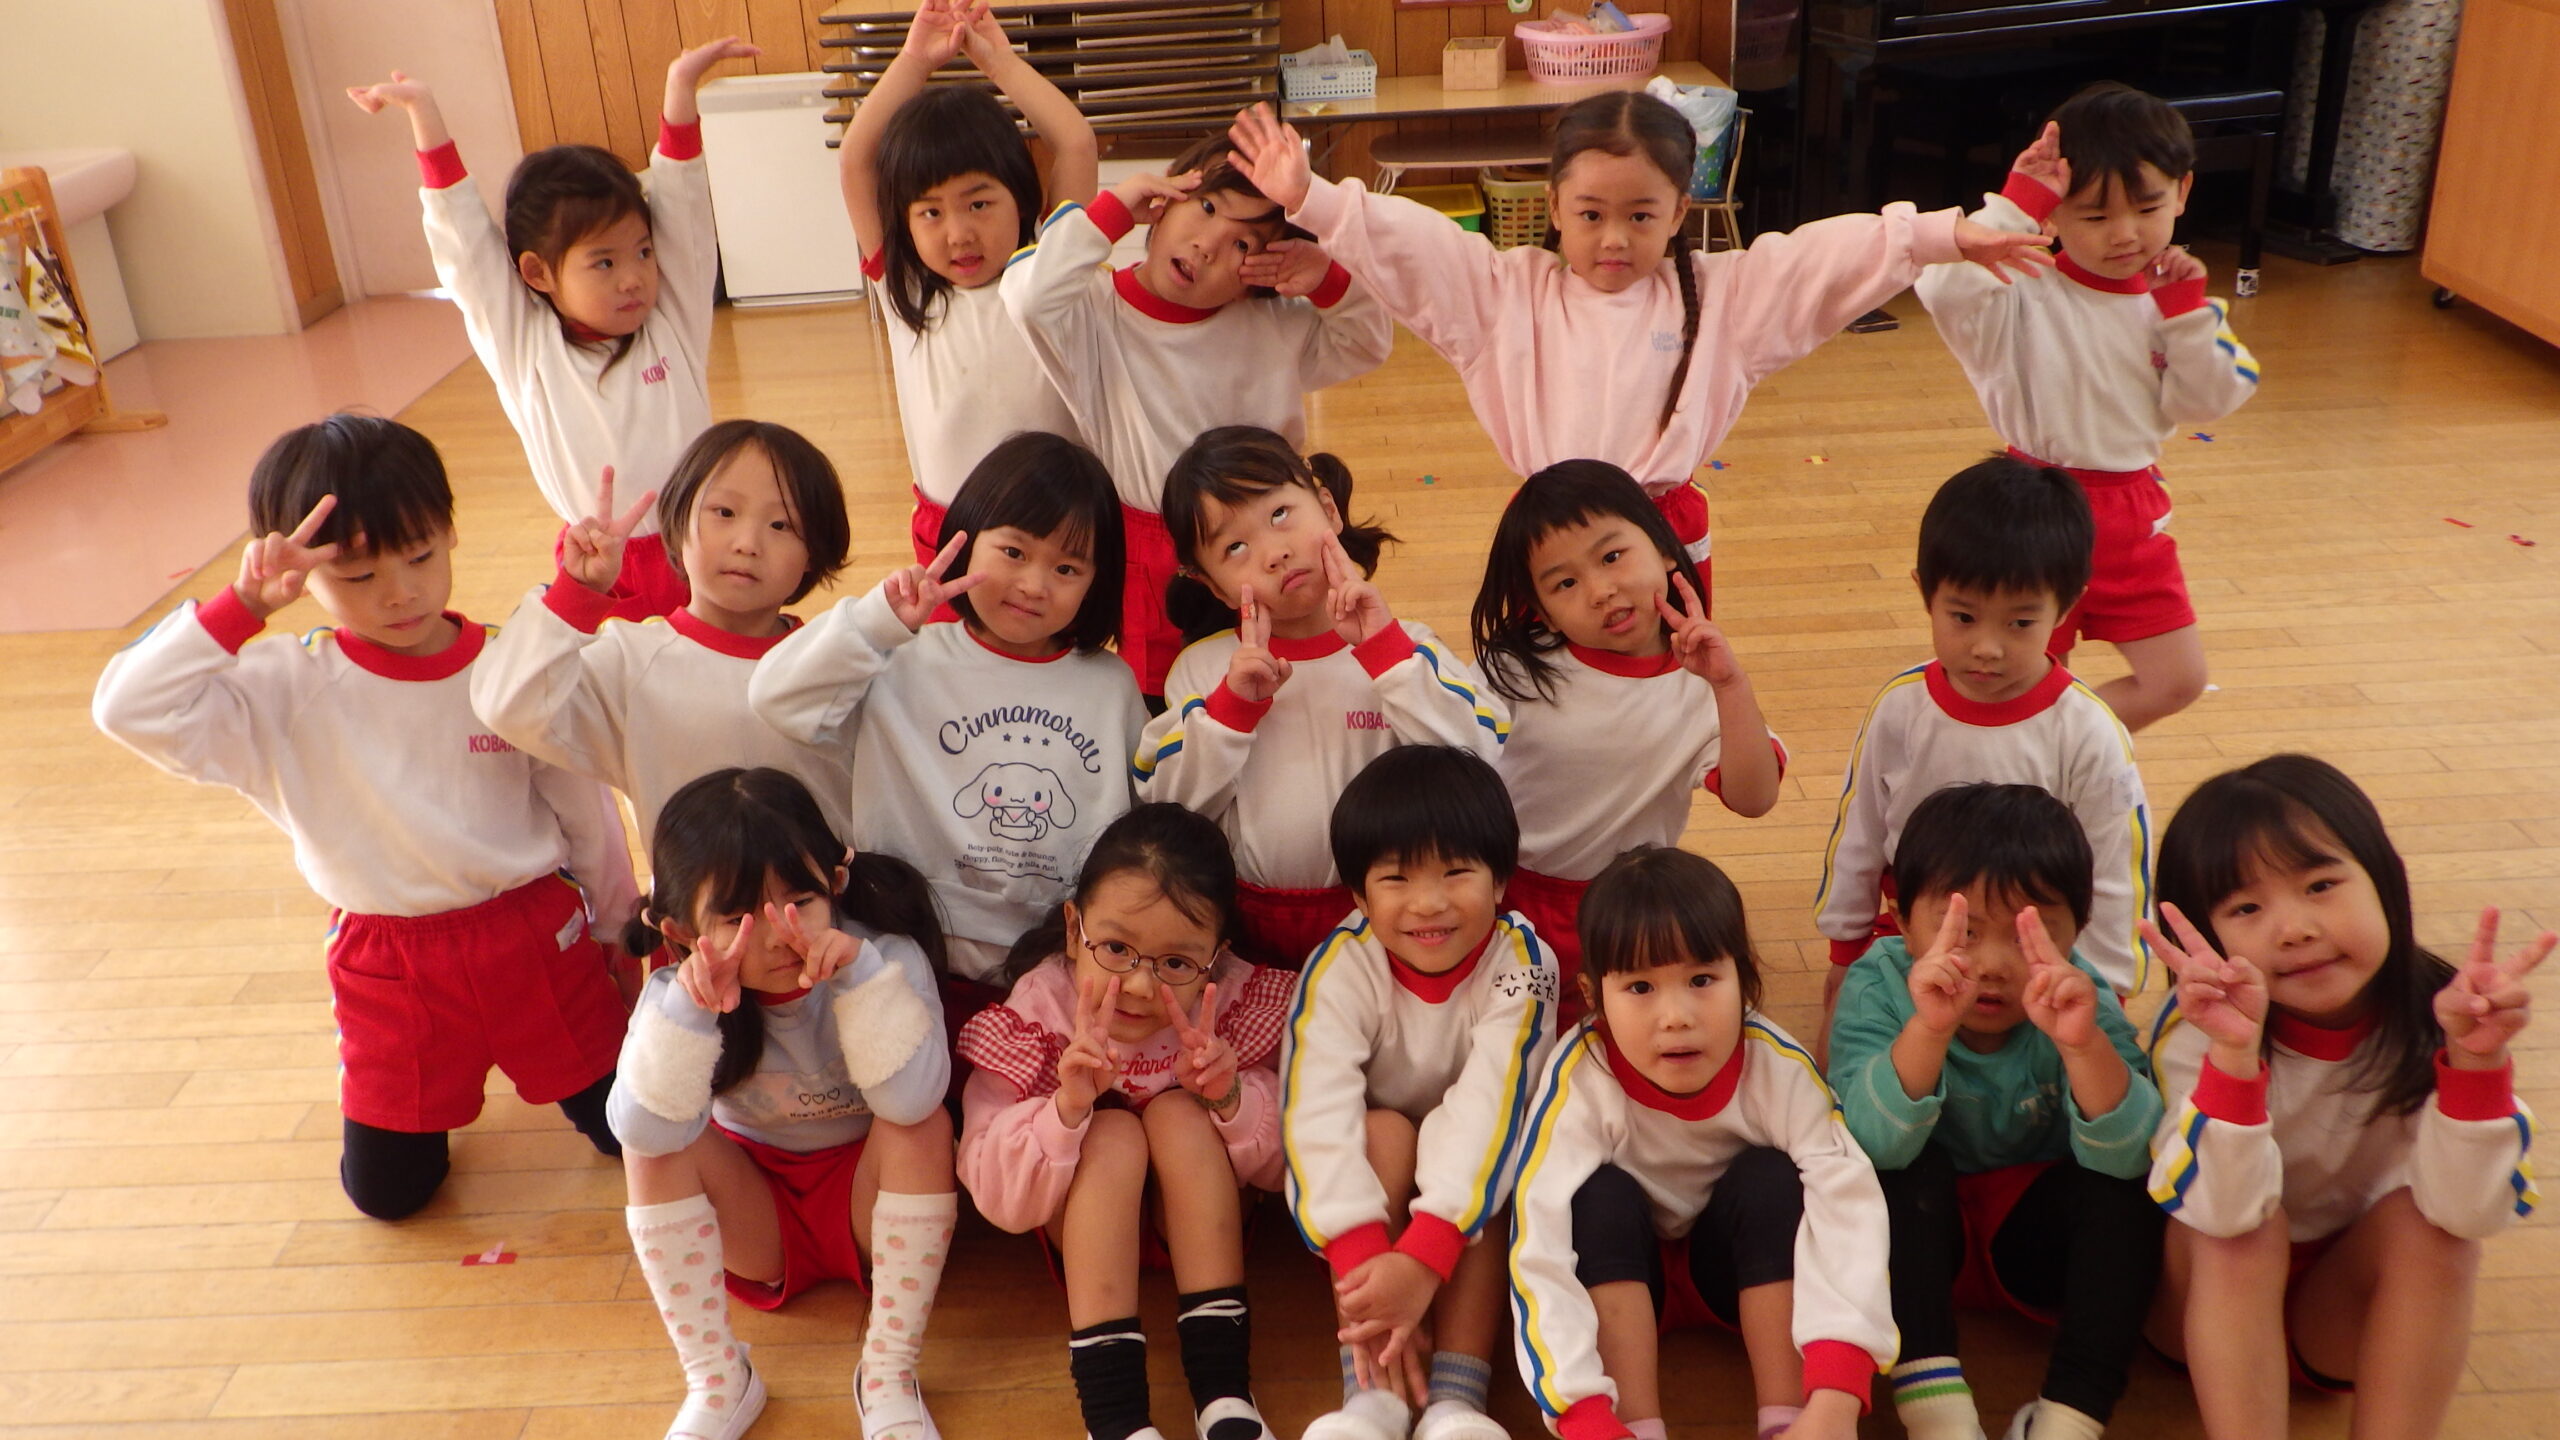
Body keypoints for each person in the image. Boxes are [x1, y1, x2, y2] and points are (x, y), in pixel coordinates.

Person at [92, 415, 635, 1219]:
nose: (399, 593)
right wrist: (242, 606)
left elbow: (585, 809)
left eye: (420, 557)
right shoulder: (283, 687)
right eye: (358, 575)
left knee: (636, 1134)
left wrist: (617, 926)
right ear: (302, 573)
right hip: (391, 967)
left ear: (450, 532)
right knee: (389, 1197)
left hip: (534, 941)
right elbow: (126, 708)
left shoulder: (502, 666)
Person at [1224, 94, 2052, 581]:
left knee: (1664, 705)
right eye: (1590, 214)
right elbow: (1417, 245)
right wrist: (1312, 198)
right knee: (1543, 708)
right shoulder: (1504, 296)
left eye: (1641, 216)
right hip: (1546, 529)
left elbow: (1818, 258)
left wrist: (1941, 235)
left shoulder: (1721, 299)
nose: (1614, 238)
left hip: (1664, 534)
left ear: (1680, 213)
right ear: (1553, 207)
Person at [2142, 754, 2545, 1440]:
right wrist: (2234, 1060)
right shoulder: (2197, 1035)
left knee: (2438, 1238)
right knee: (2242, 1233)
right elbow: (2216, 1210)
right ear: (2207, 939)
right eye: (2247, 908)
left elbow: (2471, 1214)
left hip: (2341, 1312)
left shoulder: (2443, 1016)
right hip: (2199, 1310)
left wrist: (2477, 1064)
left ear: (2385, 878)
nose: (2295, 928)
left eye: (2321, 885)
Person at [347, 37, 753, 619]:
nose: (634, 278)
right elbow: (466, 247)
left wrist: (680, 89)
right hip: (595, 566)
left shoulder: (673, 322)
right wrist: (423, 113)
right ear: (538, 273)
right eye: (603, 263)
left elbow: (684, 211)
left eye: (642, 252)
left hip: (696, 551)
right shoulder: (525, 347)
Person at [610, 768, 956, 1440]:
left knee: (922, 1124)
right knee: (653, 1141)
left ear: (837, 882)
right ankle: (719, 1381)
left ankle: (888, 1374)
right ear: (681, 929)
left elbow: (913, 1101)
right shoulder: (672, 996)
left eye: (800, 899)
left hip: (871, 1204)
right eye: (737, 918)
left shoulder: (884, 958)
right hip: (758, 1215)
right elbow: (643, 1134)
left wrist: (859, 978)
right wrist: (692, 1011)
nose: (776, 933)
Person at [1509, 847, 1896, 1440]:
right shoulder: (1579, 1080)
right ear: (1592, 995)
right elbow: (1536, 1242)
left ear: (1744, 977)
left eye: (1701, 980)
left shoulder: (1777, 1067)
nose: (1676, 1015)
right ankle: (1635, 1427)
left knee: (1773, 1180)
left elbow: (1850, 1207)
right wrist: (1582, 1414)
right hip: (1627, 1280)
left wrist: (1838, 1395)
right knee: (1594, 1197)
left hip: (1734, 1276)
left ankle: (1792, 1419)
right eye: (1640, 986)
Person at [1916, 84, 2261, 732]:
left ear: (2183, 191)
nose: (2125, 234)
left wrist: (2184, 312)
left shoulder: (2179, 304)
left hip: (2132, 515)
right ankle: (2030, 758)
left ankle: (2060, 747)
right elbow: (1942, 287)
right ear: (2052, 217)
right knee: (2018, 682)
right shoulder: (2024, 288)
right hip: (2033, 512)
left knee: (2178, 680)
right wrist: (2016, 203)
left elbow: (2212, 399)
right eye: (2096, 217)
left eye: (2147, 207)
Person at [1828, 783, 2166, 1440]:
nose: (1990, 965)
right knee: (1890, 1171)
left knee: (2128, 1196)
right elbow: (1869, 1143)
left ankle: (2070, 1418)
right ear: (1901, 921)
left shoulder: (2078, 994)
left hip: (2030, 1238)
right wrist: (1928, 1030)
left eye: (2026, 935)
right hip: (1913, 1245)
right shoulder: (1880, 981)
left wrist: (2082, 1046)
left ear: (2077, 930)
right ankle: (1938, 1416)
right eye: (1962, 932)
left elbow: (2132, 1157)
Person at [1000, 136, 1392, 697]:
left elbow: (1368, 342)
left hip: (1275, 536)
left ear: (1264, 271)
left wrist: (1325, 277)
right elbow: (1028, 299)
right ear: (1166, 197)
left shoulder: (1273, 322)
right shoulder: (1094, 307)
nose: (1208, 245)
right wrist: (1112, 211)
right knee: (1165, 693)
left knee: (1295, 675)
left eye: (1243, 244)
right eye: (1206, 207)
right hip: (1155, 551)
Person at [750, 432, 1146, 987]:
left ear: (1097, 583)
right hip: (902, 942)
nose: (1034, 585)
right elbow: (774, 699)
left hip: (1058, 958)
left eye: (1067, 569)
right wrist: (875, 623)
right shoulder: (900, 655)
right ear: (965, 539)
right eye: (1014, 552)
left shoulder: (1111, 686)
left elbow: (1141, 816)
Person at [953, 803, 1297, 1440]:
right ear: (1073, 931)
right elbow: (998, 1197)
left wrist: (1229, 1098)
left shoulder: (1233, 1003)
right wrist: (1067, 1110)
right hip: (1083, 1234)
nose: (1140, 985)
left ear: (1217, 958)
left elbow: (1291, 1171)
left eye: (1176, 963)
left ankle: (1224, 1393)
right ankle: (1114, 1419)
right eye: (1115, 949)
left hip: (1202, 1225)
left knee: (1177, 1113)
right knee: (1111, 1133)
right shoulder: (1042, 1010)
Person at [1135, 427, 1507, 968]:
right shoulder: (1205, 669)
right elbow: (1168, 808)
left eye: (1280, 514)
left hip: (1391, 928)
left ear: (1328, 509)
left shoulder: (1407, 646)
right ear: (1212, 585)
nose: (1274, 553)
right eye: (1234, 547)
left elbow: (1479, 755)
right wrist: (1232, 710)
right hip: (1244, 928)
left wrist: (1386, 654)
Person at [1813, 456, 2150, 1032]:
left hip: (2030, 953)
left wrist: (2105, 993)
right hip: (1912, 939)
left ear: (2066, 608)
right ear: (1926, 594)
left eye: (2020, 623)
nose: (1987, 647)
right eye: (1964, 617)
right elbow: (1859, 833)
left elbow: (2114, 871)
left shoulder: (2088, 731)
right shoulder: (1900, 708)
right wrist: (1846, 952)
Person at [1282, 746, 1559, 1440]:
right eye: (1396, 878)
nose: (1428, 903)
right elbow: (1315, 1115)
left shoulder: (1526, 964)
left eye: (1456, 872)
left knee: (1495, 1182)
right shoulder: (1338, 965)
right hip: (1380, 1161)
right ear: (1358, 896)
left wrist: (1427, 1255)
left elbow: (1491, 1108)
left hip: (1473, 1174)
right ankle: (1371, 1399)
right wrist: (1369, 1265)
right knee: (1383, 1132)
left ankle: (1456, 1403)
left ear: (1501, 880)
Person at [1471, 459, 1783, 986]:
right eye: (1565, 582)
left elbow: (1755, 798)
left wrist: (1731, 687)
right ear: (1543, 612)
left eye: (1612, 557)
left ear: (1664, 547)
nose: (1600, 591)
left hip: (1632, 915)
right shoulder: (1514, 670)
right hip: (1509, 903)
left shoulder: (1701, 679)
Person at [472, 421, 856, 849]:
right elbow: (510, 707)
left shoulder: (840, 658)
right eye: (724, 513)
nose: (747, 543)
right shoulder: (629, 663)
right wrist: (575, 594)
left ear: (813, 553)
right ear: (676, 524)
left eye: (781, 525)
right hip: (688, 895)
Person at [837, 0, 1089, 569]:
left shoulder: (1051, 269)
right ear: (905, 222)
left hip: (1058, 531)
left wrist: (1000, 63)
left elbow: (1074, 142)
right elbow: (855, 160)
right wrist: (913, 61)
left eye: (978, 203)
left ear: (1020, 198)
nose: (959, 234)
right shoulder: (908, 292)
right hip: (949, 533)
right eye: (931, 212)